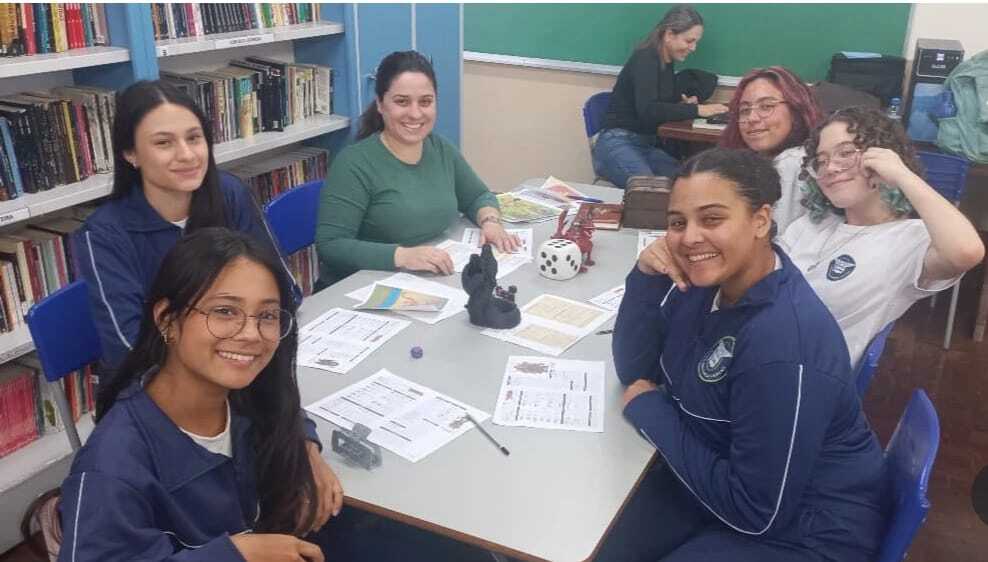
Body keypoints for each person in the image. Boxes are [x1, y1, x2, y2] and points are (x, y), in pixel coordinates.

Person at [599, 148, 887, 562]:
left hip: (804, 534)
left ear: (761, 220)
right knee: (596, 547)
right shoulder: (709, 284)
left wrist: (651, 412)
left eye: (712, 218)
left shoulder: (783, 343)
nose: (690, 237)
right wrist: (645, 278)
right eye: (678, 222)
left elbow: (758, 513)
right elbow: (637, 371)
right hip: (721, 479)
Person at [53, 228, 338, 561]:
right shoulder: (112, 467)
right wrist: (238, 555)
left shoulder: (245, 391)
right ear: (167, 319)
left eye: (267, 315)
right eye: (224, 311)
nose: (251, 334)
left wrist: (306, 447)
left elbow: (282, 406)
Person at [73, 80, 288, 375]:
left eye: (194, 138)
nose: (187, 155)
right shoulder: (104, 234)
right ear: (130, 154)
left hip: (242, 364)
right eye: (164, 143)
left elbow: (282, 289)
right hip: (157, 385)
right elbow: (128, 347)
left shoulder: (229, 193)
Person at [779, 106, 985, 366]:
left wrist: (902, 176)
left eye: (845, 153)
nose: (830, 168)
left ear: (882, 159)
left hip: (801, 374)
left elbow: (966, 251)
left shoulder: (908, 240)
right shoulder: (810, 225)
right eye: (821, 160)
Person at [316, 50, 518, 287]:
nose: (415, 113)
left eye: (425, 101)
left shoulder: (439, 147)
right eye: (402, 101)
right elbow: (331, 245)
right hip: (364, 287)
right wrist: (403, 256)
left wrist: (490, 222)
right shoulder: (354, 164)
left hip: (427, 278)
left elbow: (477, 196)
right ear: (381, 104)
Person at [591, 5, 728, 189]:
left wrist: (682, 104)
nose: (693, 48)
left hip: (645, 145)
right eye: (689, 41)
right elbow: (648, 110)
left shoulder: (666, 61)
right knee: (651, 194)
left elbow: (657, 103)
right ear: (669, 34)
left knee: (687, 184)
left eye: (696, 42)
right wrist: (697, 110)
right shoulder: (646, 59)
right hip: (618, 142)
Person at [719, 66, 823, 233]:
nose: (751, 118)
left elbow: (772, 241)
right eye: (744, 110)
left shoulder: (792, 163)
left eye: (766, 106)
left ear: (796, 109)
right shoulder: (763, 162)